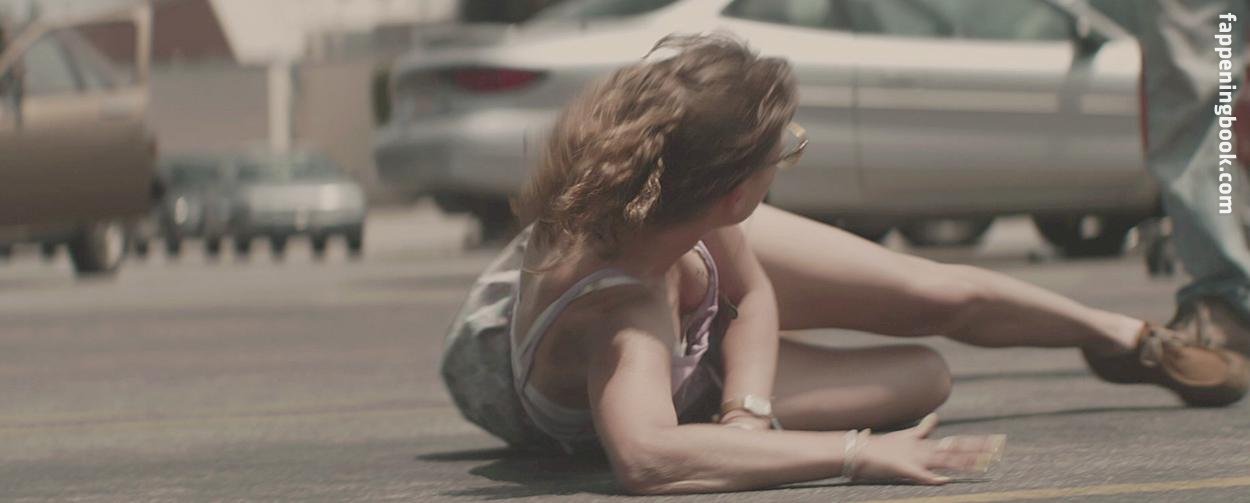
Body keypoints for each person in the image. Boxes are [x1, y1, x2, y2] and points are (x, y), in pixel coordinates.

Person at [440, 33, 1249, 495]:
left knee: (929, 292)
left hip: (687, 329)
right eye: (785, 151)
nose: (789, 157)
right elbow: (648, 457)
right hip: (632, 372)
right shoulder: (625, 314)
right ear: (734, 191)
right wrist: (860, 453)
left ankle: (1122, 334)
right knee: (923, 377)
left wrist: (747, 413)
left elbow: (753, 292)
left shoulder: (677, 207)